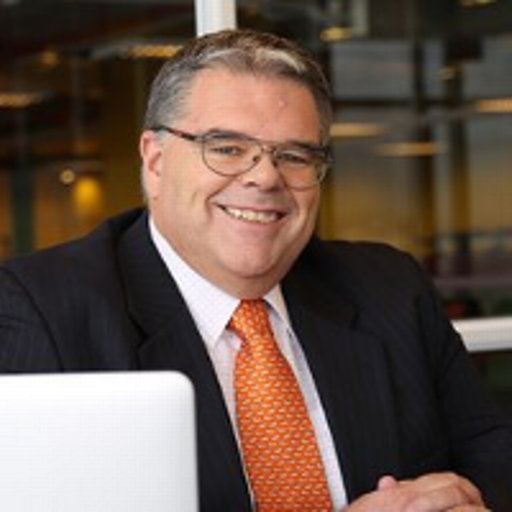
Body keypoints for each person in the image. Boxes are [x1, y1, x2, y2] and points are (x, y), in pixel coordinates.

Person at [0, 29, 511, 512]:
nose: (265, 177)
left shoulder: (391, 289)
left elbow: (495, 459)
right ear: (155, 162)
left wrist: (461, 500)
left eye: (294, 155)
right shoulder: (40, 312)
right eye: (227, 149)